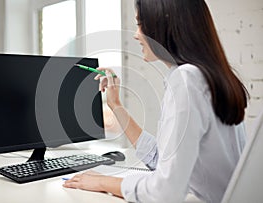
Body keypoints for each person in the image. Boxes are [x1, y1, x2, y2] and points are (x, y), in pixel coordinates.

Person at [63, 0, 249, 202]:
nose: (136, 34)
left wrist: (102, 182)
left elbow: (164, 193)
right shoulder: (206, 76)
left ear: (164, 24)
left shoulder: (187, 79)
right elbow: (162, 160)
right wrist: (115, 105)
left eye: (141, 23)